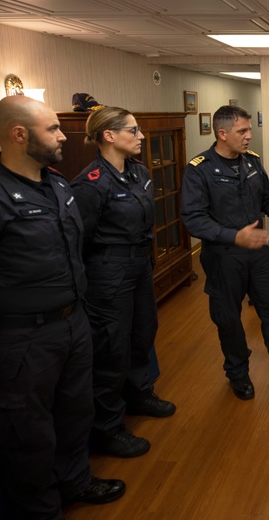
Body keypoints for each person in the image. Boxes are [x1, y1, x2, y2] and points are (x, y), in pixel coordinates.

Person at [0, 96, 125, 516]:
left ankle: (75, 482)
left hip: (71, 325)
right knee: (27, 435)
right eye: (52, 128)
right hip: (18, 340)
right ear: (19, 135)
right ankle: (40, 509)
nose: (62, 134)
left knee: (74, 414)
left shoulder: (58, 184)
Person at [181, 105, 269, 401]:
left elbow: (268, 198)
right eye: (242, 131)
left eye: (248, 130)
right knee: (228, 319)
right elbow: (193, 219)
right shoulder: (199, 169)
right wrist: (234, 236)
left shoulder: (252, 162)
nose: (249, 136)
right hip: (222, 257)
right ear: (222, 133)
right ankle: (238, 374)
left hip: (257, 254)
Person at [71, 107, 176, 459]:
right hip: (107, 272)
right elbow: (77, 242)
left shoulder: (139, 172)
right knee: (110, 350)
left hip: (139, 264)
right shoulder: (90, 184)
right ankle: (108, 429)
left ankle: (139, 394)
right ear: (109, 136)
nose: (141, 136)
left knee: (142, 333)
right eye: (133, 130)